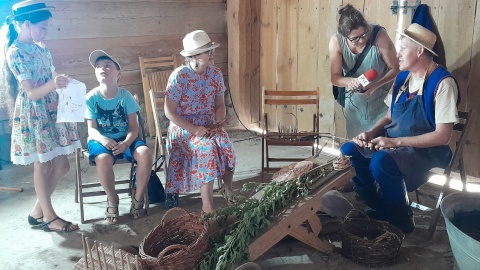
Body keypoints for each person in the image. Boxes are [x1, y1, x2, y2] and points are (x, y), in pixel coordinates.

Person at [340, 23, 459, 233]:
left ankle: (402, 218)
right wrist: (372, 132)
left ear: (420, 51)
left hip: (426, 151)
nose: (398, 54)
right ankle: (382, 206)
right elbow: (388, 116)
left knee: (381, 160)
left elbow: (443, 136)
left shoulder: (443, 83)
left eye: (403, 48)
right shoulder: (403, 78)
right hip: (394, 144)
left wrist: (394, 142)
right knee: (348, 152)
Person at [2, 0, 81, 232]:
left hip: (51, 108)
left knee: (62, 165)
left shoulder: (41, 48)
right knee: (42, 166)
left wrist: (60, 80)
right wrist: (52, 84)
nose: (46, 31)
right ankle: (49, 217)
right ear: (26, 24)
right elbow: (32, 92)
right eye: (43, 27)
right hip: (34, 113)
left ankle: (37, 212)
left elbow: (51, 73)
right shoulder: (15, 52)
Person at [164, 30, 236, 213]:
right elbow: (169, 112)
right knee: (207, 149)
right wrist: (194, 130)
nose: (213, 54)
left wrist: (218, 121)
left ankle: (228, 192)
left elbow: (220, 104)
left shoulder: (216, 73)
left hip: (208, 124)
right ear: (194, 55)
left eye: (212, 50)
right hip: (183, 126)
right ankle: (207, 206)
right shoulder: (179, 76)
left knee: (226, 144)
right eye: (208, 51)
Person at [85, 50, 152, 224]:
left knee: (145, 153)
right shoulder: (91, 98)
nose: (102, 69)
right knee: (103, 158)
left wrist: (125, 143)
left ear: (118, 73)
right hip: (101, 139)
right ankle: (112, 199)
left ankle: (137, 198)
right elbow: (91, 129)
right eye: (98, 66)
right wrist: (103, 140)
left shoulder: (125, 97)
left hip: (126, 137)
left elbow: (134, 127)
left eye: (108, 66)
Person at [329, 4, 400, 139]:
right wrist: (350, 81)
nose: (361, 40)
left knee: (378, 146)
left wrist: (375, 85)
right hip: (354, 107)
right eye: (355, 39)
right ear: (345, 36)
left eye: (364, 34)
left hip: (380, 103)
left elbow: (396, 68)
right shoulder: (336, 41)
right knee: (355, 148)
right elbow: (335, 78)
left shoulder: (380, 36)